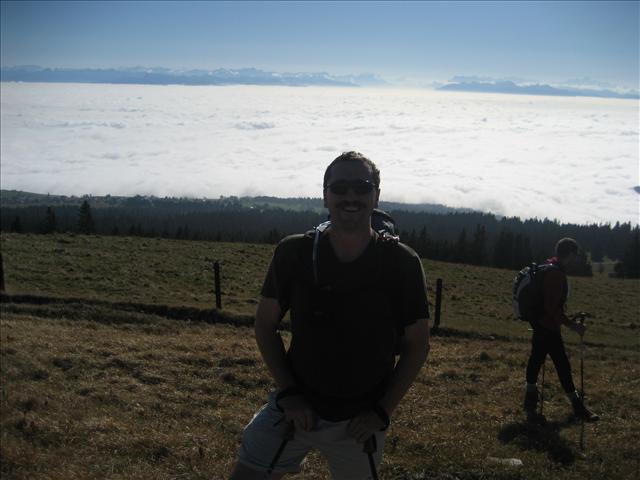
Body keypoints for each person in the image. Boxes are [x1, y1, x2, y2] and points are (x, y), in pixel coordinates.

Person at [229, 151, 430, 479]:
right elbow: (264, 325)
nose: (350, 196)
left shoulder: (402, 264)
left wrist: (382, 412)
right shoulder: (293, 253)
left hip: (359, 422)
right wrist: (289, 395)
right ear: (325, 195)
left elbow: (418, 345)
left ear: (376, 196)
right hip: (295, 409)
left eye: (361, 187)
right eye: (339, 188)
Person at [523, 237, 599, 422]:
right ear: (570, 254)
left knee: (536, 359)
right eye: (575, 255)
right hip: (548, 326)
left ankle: (530, 399)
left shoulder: (549, 267)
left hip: (539, 323)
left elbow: (551, 305)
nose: (576, 259)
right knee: (562, 365)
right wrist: (572, 325)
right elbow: (552, 307)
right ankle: (577, 406)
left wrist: (566, 319)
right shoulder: (556, 274)